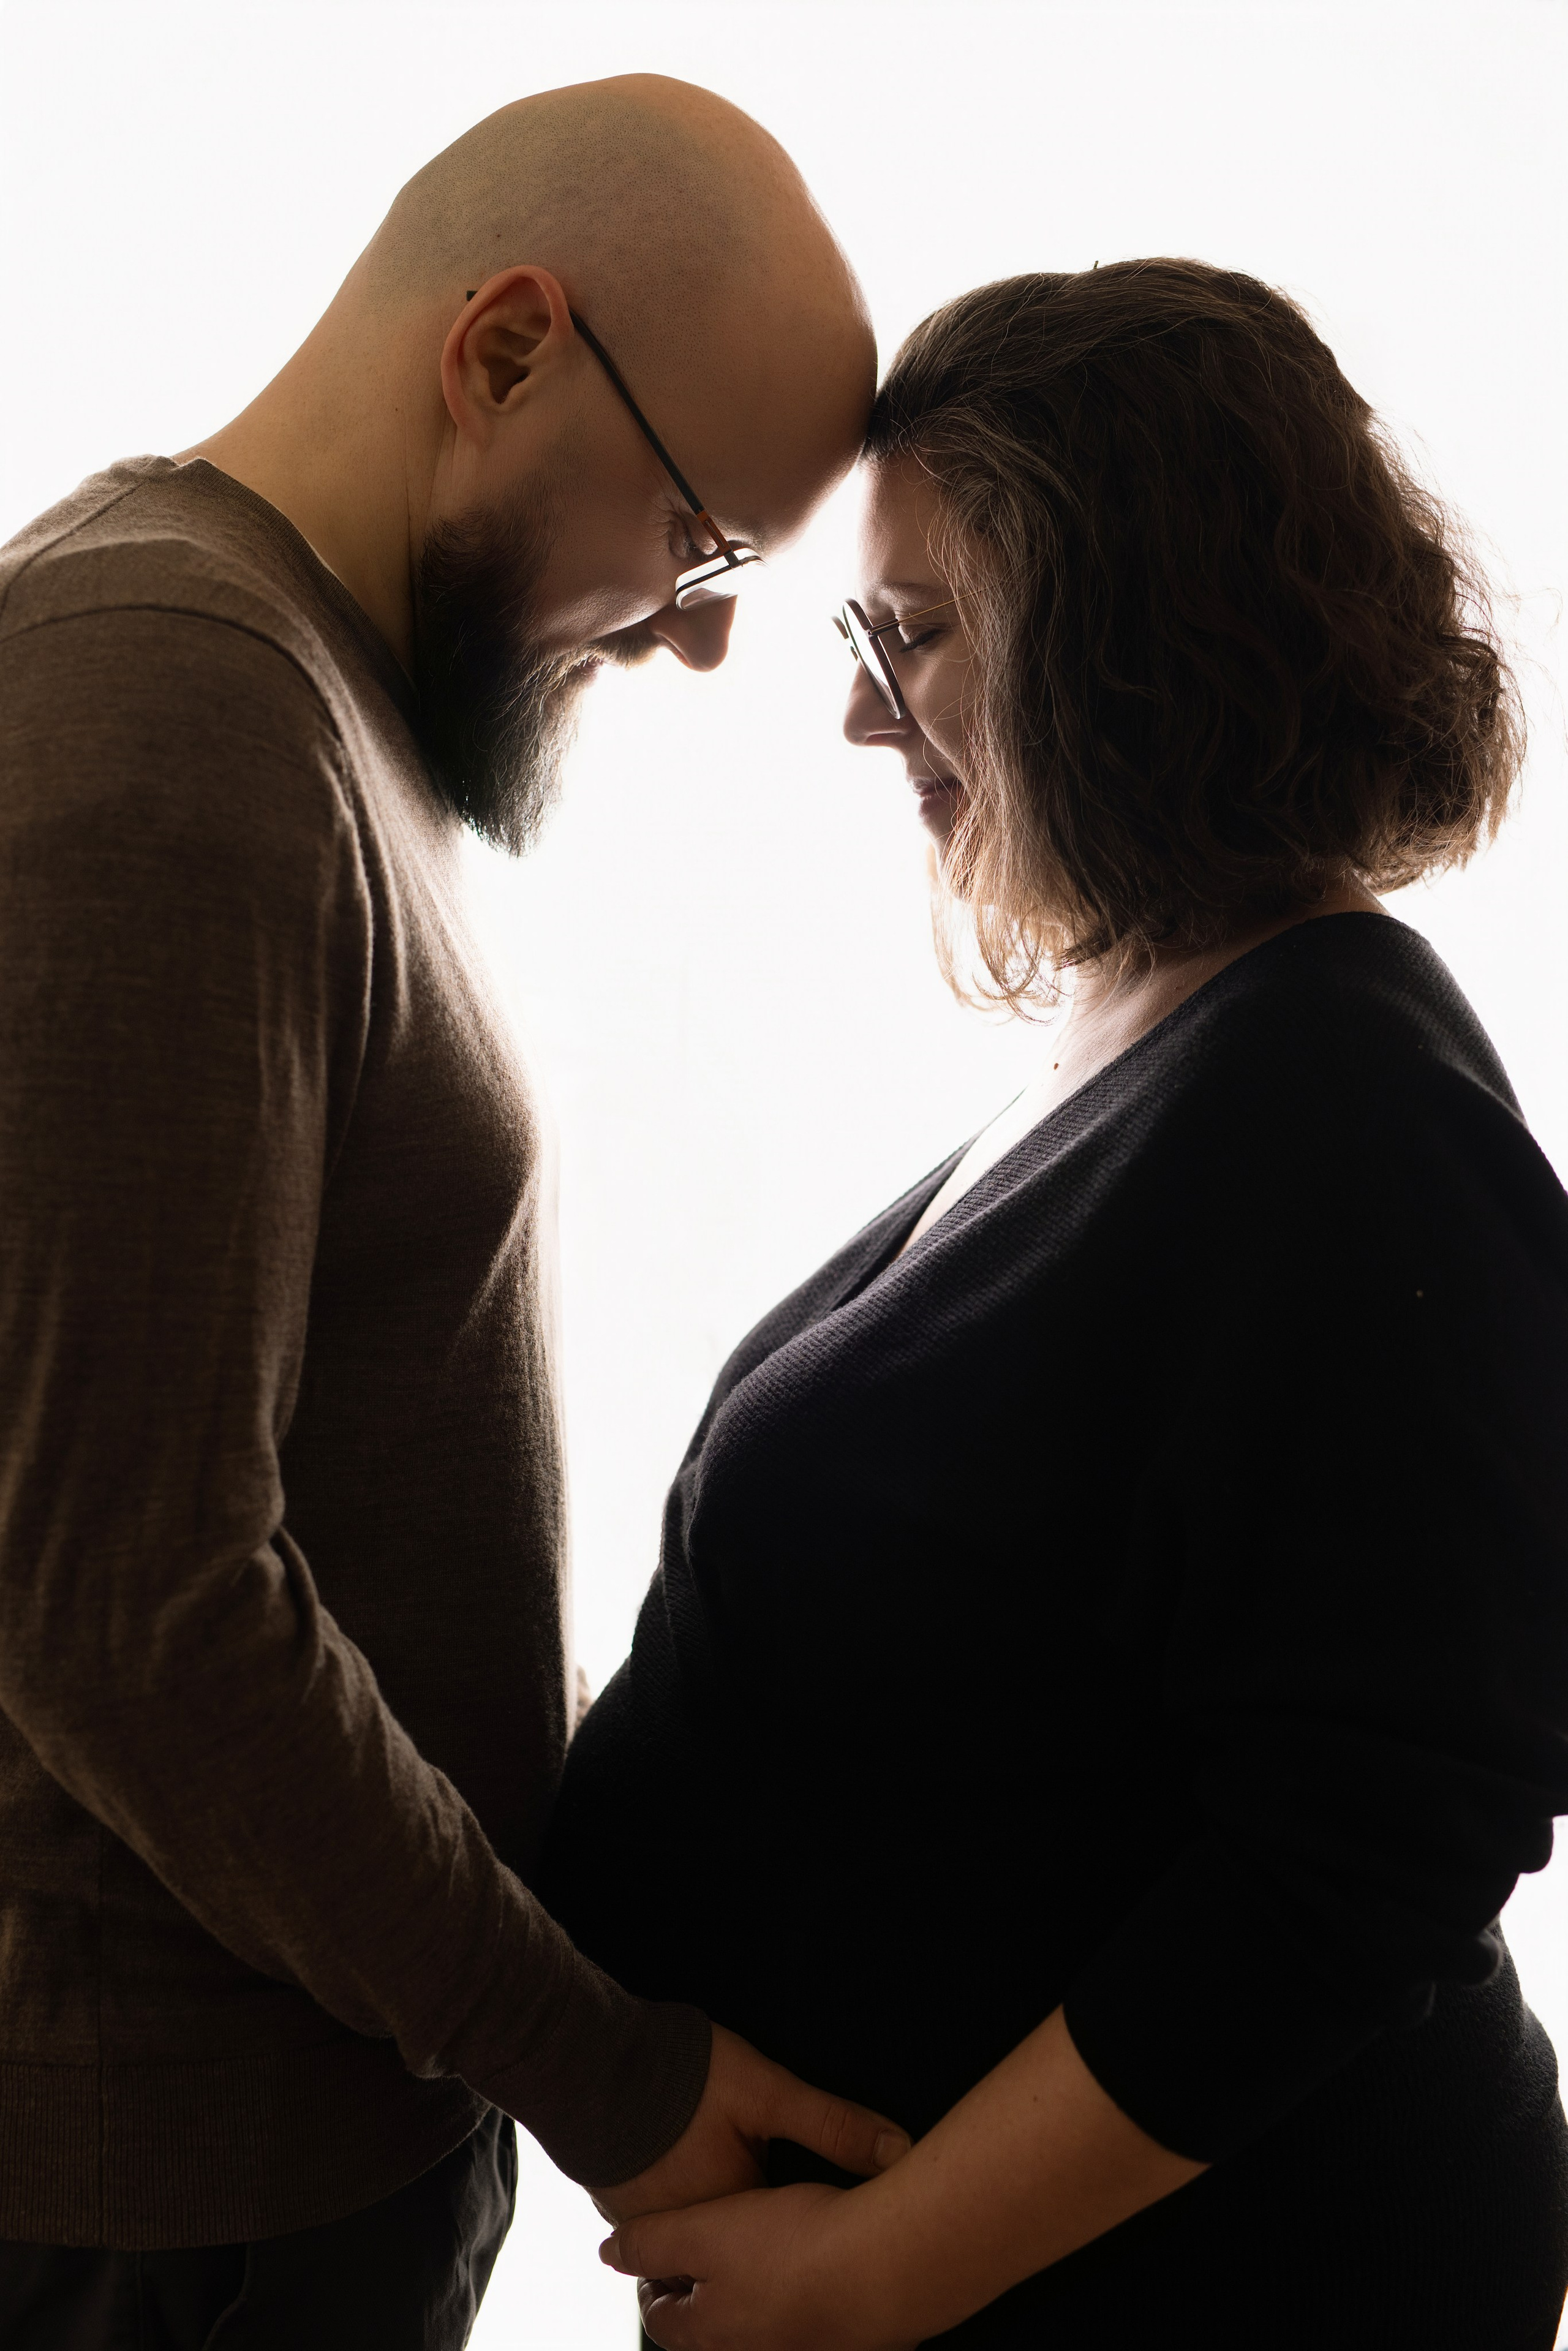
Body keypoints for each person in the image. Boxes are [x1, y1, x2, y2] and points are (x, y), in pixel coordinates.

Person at [542, 261, 1568, 2349]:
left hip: (1233, 2292)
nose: (856, 710)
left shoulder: (1356, 1111)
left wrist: (867, 2277)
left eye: (909, 638)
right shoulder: (1156, 1023)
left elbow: (1370, 1845)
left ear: (1126, 657)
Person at [0, 74, 910, 2351]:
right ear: (505, 350)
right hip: (170, 2218)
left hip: (301, 2146)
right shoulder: (171, 706)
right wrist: (607, 2072)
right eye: (706, 543)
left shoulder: (293, 692)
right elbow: (130, 1601)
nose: (699, 644)